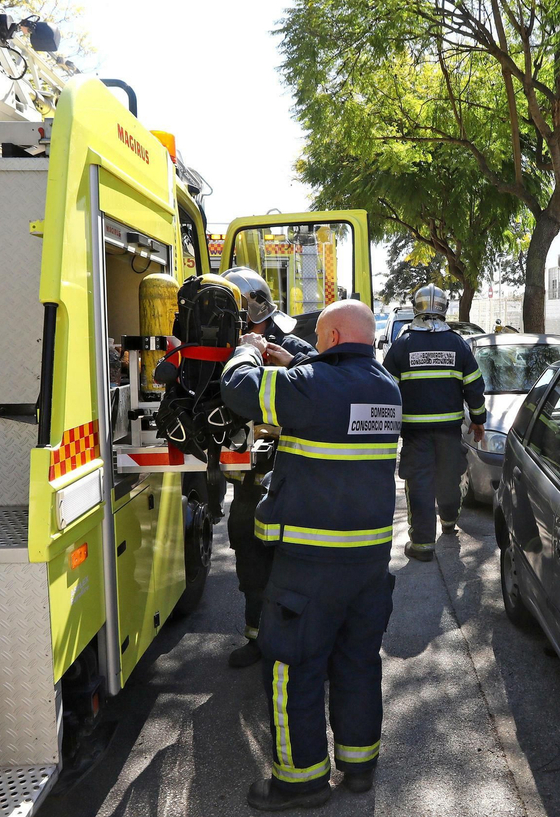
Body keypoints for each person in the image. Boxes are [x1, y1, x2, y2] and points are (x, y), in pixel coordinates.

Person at [221, 299, 401, 810]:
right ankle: (359, 767)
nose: (316, 346)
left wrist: (248, 350)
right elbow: (330, 372)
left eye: (321, 337)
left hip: (309, 567)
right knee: (357, 664)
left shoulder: (310, 388)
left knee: (292, 668)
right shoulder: (386, 388)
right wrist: (294, 352)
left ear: (336, 335)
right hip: (368, 565)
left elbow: (240, 391)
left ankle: (298, 784)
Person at [220, 266, 317, 669]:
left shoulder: (289, 341)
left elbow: (319, 378)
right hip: (244, 476)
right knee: (246, 546)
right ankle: (257, 637)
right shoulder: (223, 346)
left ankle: (297, 639)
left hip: (286, 472)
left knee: (291, 557)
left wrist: (288, 358)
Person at [383, 285, 486, 561]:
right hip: (450, 432)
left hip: (415, 434)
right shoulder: (458, 344)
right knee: (450, 476)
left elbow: (387, 392)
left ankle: (423, 545)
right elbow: (474, 387)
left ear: (415, 307)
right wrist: (479, 420)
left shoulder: (401, 345)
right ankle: (449, 523)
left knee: (420, 484)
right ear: (445, 308)